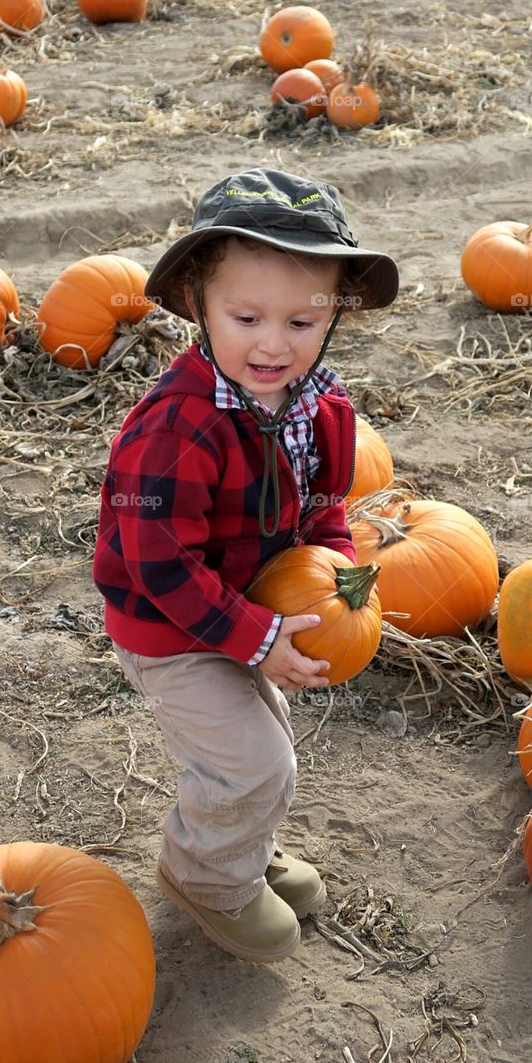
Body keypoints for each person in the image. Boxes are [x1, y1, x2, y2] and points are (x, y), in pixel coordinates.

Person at [93, 167, 399, 963]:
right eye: (246, 316)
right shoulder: (176, 427)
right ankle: (204, 877)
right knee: (250, 762)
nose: (273, 343)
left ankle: (244, 850)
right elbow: (155, 560)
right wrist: (256, 635)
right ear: (196, 303)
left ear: (334, 313)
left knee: (268, 743)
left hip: (249, 610)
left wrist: (328, 570)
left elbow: (324, 508)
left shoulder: (319, 407)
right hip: (168, 627)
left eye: (301, 320)